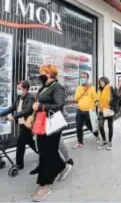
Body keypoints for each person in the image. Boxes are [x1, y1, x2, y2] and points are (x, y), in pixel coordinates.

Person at [31, 65, 72, 202]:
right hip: (42, 123)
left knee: (46, 154)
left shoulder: (57, 87)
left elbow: (59, 105)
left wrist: (41, 106)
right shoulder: (44, 88)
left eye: (41, 72)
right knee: (47, 152)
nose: (39, 74)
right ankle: (62, 165)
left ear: (49, 74)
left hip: (52, 124)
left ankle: (44, 185)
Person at [0, 80, 37, 170]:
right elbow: (12, 107)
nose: (17, 90)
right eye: (17, 88)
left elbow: (27, 110)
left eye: (19, 88)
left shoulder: (30, 97)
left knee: (20, 144)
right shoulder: (19, 97)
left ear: (25, 89)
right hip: (22, 124)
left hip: (28, 124)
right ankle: (45, 154)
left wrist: (13, 116)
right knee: (31, 143)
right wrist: (1, 114)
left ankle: (19, 165)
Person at [73, 72, 100, 149]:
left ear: (87, 78)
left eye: (84, 77)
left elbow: (96, 98)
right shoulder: (78, 88)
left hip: (89, 111)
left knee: (90, 126)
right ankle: (80, 142)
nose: (83, 78)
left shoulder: (92, 88)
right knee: (78, 127)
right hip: (80, 110)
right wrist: (84, 90)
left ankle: (97, 136)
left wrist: (95, 105)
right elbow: (76, 98)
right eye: (82, 77)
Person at [97, 77, 116, 150]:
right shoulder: (99, 89)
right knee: (100, 126)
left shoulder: (110, 88)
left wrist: (111, 102)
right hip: (101, 110)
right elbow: (97, 97)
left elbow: (116, 97)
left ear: (105, 81)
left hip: (108, 109)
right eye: (100, 82)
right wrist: (96, 101)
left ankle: (110, 142)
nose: (101, 83)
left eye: (102, 82)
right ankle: (104, 141)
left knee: (110, 126)